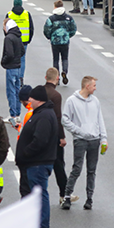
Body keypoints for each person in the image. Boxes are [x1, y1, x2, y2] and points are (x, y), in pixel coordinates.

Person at [15, 85, 59, 228]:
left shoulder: (44, 116)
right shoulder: (41, 113)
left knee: (40, 196)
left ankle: (42, 227)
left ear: (38, 99)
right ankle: (35, 224)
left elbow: (40, 140)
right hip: (35, 163)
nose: (29, 101)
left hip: (38, 163)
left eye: (31, 98)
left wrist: (25, 153)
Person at [61, 76, 107, 211]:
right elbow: (65, 119)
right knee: (77, 168)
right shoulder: (72, 101)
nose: (95, 88)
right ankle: (67, 196)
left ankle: (89, 199)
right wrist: (78, 131)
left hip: (94, 140)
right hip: (80, 140)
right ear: (87, 86)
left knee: (91, 171)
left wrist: (103, 138)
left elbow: (100, 120)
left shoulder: (95, 101)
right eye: (94, 86)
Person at [42, 67, 70, 208]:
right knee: (59, 164)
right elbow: (58, 117)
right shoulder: (56, 95)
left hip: (40, 134)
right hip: (53, 135)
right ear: (57, 78)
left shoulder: (40, 92)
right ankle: (63, 194)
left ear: (45, 77)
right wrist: (62, 137)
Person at [43, 0, 77, 84]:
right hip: (65, 41)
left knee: (56, 59)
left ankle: (56, 77)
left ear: (55, 7)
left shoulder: (51, 19)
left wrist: (50, 37)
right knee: (65, 58)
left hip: (55, 42)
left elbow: (46, 29)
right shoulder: (68, 18)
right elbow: (73, 29)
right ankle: (64, 71)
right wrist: (68, 36)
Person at [1, 18, 25, 128]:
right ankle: (17, 114)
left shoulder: (8, 38)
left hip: (11, 67)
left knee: (10, 91)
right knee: (16, 90)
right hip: (18, 67)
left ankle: (12, 114)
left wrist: (4, 61)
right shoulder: (18, 36)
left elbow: (9, 54)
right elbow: (22, 51)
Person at [7, 0, 34, 85]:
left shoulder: (9, 14)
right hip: (24, 41)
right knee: (22, 59)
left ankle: (14, 77)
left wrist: (8, 39)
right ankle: (20, 77)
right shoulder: (27, 14)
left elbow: (5, 28)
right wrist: (28, 40)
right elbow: (31, 28)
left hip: (12, 41)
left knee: (13, 59)